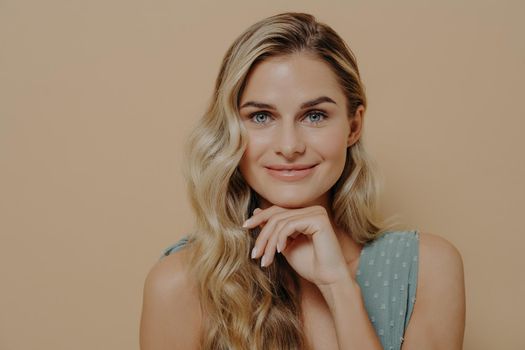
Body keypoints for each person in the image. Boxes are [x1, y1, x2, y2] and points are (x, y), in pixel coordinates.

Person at [139, 12, 465, 350]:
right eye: (261, 117)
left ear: (353, 127)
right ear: (230, 130)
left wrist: (338, 287)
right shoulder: (180, 285)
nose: (290, 146)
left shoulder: (426, 268)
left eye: (314, 116)